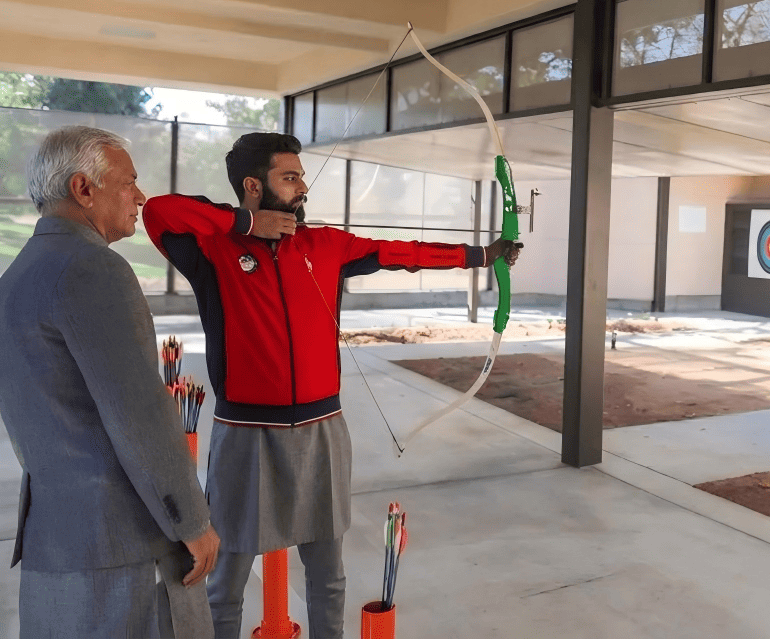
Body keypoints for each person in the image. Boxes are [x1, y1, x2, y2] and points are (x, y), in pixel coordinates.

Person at [143, 132, 520, 639]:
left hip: (322, 430)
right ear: (254, 187)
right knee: (226, 582)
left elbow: (400, 251)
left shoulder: (325, 245)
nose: (303, 187)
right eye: (290, 176)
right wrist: (246, 223)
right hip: (246, 433)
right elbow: (160, 212)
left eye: (301, 175)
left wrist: (481, 255)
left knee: (328, 577)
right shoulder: (214, 248)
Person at [0, 125, 220, 639]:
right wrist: (191, 520)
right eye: (129, 183)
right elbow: (140, 415)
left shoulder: (14, 279)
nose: (140, 197)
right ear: (83, 189)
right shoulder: (94, 269)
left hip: (52, 541)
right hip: (124, 549)